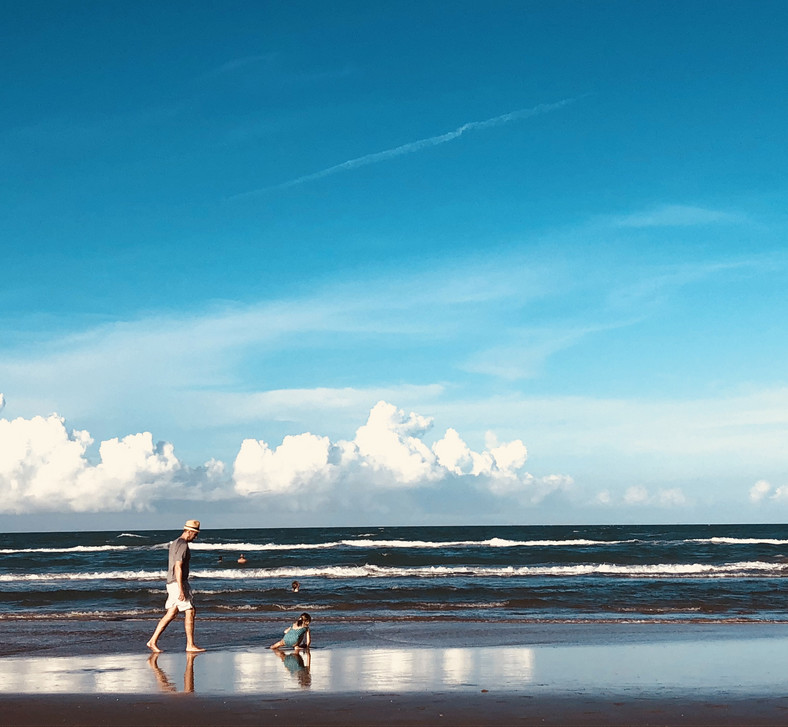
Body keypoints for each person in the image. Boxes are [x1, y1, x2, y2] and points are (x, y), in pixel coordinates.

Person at [146, 519, 206, 653]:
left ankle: (152, 641)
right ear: (189, 532)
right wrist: (181, 588)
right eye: (195, 534)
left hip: (171, 582)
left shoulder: (174, 543)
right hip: (177, 582)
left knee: (172, 612)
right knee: (190, 610)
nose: (195, 537)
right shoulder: (183, 545)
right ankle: (190, 645)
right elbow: (178, 567)